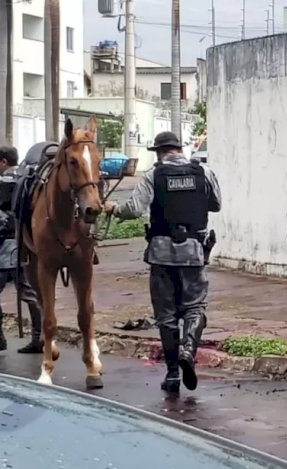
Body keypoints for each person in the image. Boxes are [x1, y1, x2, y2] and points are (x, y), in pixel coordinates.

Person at [103, 131, 221, 394]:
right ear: (179, 149)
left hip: (161, 254)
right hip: (193, 252)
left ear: (158, 152)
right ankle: (188, 352)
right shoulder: (204, 172)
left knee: (166, 316)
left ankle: (171, 376)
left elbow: (133, 209)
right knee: (194, 307)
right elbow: (216, 205)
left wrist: (113, 209)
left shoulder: (153, 176)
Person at [0, 145, 43, 355]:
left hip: (5, 247)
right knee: (30, 293)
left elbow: (0, 217)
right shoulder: (27, 178)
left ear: (3, 161)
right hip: (26, 244)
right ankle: (39, 338)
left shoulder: (5, 182)